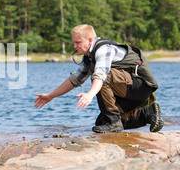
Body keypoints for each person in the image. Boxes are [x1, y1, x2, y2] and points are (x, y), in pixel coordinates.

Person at [34, 24, 163, 133]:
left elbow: (101, 75)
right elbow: (75, 80)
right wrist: (50, 96)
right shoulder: (89, 57)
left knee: (101, 80)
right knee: (101, 122)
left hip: (141, 87)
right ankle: (147, 113)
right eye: (73, 42)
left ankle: (113, 122)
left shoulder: (103, 50)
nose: (74, 46)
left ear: (90, 40)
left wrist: (89, 95)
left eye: (78, 42)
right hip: (128, 88)